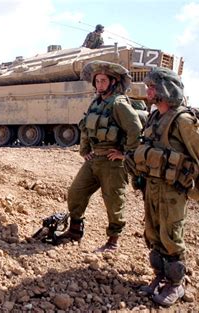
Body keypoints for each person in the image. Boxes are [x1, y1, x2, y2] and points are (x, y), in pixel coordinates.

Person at [130, 67, 199, 307]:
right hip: (152, 187)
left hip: (173, 190)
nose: (148, 91)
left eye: (152, 87)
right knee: (153, 233)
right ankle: (161, 276)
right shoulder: (154, 117)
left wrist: (179, 164)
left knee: (171, 236)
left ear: (166, 89)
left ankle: (176, 284)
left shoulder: (183, 120)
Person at [55, 60, 142, 252]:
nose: (99, 84)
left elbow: (135, 129)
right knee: (76, 193)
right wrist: (85, 151)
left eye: (103, 81)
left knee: (113, 201)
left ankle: (113, 242)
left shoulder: (119, 103)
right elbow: (86, 127)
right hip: (95, 159)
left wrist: (125, 154)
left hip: (113, 163)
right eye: (97, 81)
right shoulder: (96, 102)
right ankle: (75, 231)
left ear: (112, 82)